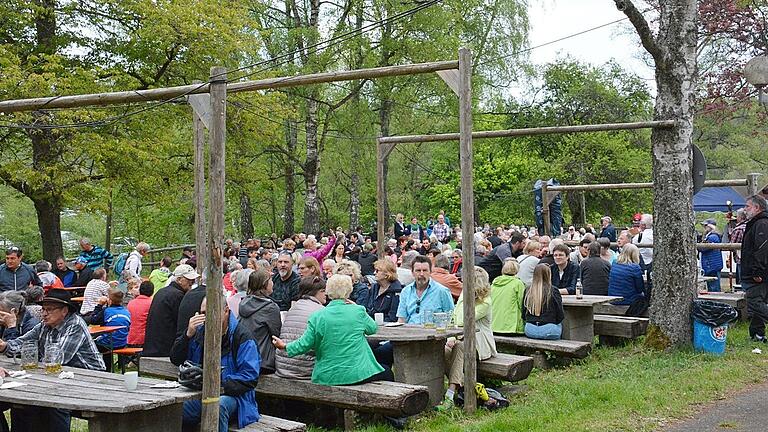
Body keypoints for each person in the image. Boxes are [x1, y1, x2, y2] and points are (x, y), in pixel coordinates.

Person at [0, 289, 104, 431]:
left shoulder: (75, 325)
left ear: (64, 311)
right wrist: (5, 346)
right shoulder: (44, 325)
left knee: (57, 404)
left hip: (92, 379)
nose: (44, 313)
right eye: (43, 309)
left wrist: (32, 359)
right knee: (23, 403)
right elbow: (23, 342)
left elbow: (59, 357)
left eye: (49, 310)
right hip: (59, 377)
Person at [272, 274, 392, 385]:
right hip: (357, 373)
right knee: (387, 372)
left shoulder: (318, 316)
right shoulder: (358, 311)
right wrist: (358, 308)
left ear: (328, 291)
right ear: (349, 291)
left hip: (327, 375)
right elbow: (372, 328)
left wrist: (285, 346)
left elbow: (304, 344)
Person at [171, 297, 261, 432]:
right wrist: (187, 335)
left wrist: (218, 384)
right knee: (173, 408)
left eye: (211, 312)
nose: (207, 317)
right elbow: (175, 358)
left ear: (226, 311)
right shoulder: (199, 331)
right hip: (201, 394)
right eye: (203, 313)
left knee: (217, 406)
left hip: (235, 398)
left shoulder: (242, 336)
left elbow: (250, 377)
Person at [441, 266, 497, 410]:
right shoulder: (464, 295)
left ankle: (450, 394)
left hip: (480, 343)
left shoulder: (485, 302)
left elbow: (462, 320)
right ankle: (462, 388)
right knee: (442, 353)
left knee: (460, 348)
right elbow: (455, 317)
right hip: (461, 339)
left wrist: (463, 299)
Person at [275, 276, 326, 379]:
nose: (326, 294)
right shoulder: (321, 311)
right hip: (304, 368)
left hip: (282, 366)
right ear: (317, 292)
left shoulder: (294, 307)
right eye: (323, 291)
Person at [143, 264, 198, 357]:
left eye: (193, 280)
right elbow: (181, 324)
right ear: (179, 280)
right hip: (165, 349)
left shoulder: (162, 291)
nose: (191, 282)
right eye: (189, 279)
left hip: (152, 346)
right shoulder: (177, 296)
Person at [239, 268, 282, 374]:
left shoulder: (243, 303)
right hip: (262, 362)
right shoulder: (270, 308)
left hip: (243, 357)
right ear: (264, 284)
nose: (273, 283)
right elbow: (276, 335)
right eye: (271, 280)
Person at [740, 195, 768, 342]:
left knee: (755, 303)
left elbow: (762, 249)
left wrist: (757, 270)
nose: (745, 210)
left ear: (757, 208)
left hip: (758, 273)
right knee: (757, 302)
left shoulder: (762, 223)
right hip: (756, 271)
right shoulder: (756, 223)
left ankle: (757, 333)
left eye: (748, 206)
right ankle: (757, 334)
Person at [397, 255, 454, 324]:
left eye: (425, 270)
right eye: (418, 271)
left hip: (434, 333)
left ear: (430, 272)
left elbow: (451, 318)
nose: (421, 274)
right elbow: (401, 319)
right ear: (412, 272)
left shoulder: (442, 292)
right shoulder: (406, 292)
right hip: (410, 332)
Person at [90, 288, 131, 368]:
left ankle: (104, 367)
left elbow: (93, 320)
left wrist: (99, 305)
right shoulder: (126, 311)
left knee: (92, 343)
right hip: (122, 343)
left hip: (107, 344)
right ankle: (118, 366)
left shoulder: (106, 311)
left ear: (110, 301)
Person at [523, 264, 564, 340]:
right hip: (550, 330)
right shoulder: (553, 290)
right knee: (560, 325)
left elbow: (523, 314)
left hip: (530, 330)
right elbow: (560, 315)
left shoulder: (528, 290)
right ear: (549, 275)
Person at [607, 244, 646, 315]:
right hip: (627, 300)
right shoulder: (635, 268)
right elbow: (640, 288)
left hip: (612, 298)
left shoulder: (614, 263)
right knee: (643, 299)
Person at [490, 258, 526, 335]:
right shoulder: (518, 283)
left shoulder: (494, 282)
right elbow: (522, 304)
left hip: (493, 325)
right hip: (509, 327)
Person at [699, 218, 724, 292]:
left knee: (713, 288)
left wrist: (700, 246)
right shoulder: (712, 236)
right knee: (712, 286)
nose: (704, 228)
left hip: (711, 265)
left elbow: (703, 248)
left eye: (706, 226)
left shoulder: (713, 237)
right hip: (711, 264)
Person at [126, 281, 154, 346]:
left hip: (130, 338)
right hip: (145, 339)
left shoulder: (131, 303)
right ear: (152, 292)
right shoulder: (152, 303)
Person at [730, 208, 747, 285]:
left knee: (741, 281)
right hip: (752, 259)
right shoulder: (752, 226)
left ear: (740, 217)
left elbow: (732, 245)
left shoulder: (738, 229)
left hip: (741, 258)